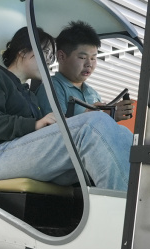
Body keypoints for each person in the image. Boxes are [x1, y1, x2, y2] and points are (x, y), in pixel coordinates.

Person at [33, 20, 135, 191]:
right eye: (82, 57)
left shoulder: (93, 93)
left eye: (94, 58)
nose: (89, 64)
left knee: (126, 135)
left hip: (88, 160)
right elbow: (52, 132)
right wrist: (90, 117)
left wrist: (113, 116)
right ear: (61, 56)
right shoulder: (51, 88)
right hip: (63, 161)